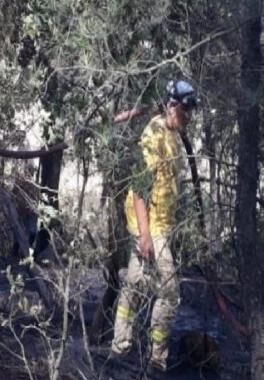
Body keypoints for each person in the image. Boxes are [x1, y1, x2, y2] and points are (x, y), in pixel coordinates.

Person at [110, 80, 198, 371]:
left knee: (135, 285)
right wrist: (146, 235)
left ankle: (119, 351)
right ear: (172, 105)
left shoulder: (173, 135)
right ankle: (157, 361)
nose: (188, 116)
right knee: (170, 292)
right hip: (148, 225)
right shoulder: (154, 133)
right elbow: (139, 188)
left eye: (190, 112)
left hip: (161, 225)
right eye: (185, 110)